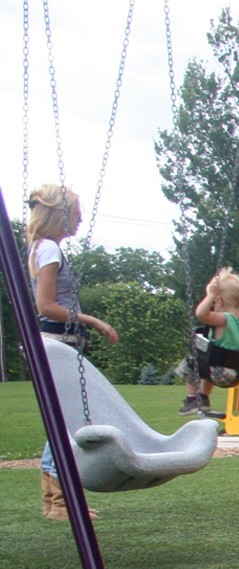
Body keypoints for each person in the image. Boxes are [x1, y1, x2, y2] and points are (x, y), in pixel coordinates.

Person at [26, 183, 117, 520]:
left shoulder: (40, 247)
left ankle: (56, 501)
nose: (79, 222)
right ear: (58, 215)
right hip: (55, 344)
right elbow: (46, 305)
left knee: (61, 422)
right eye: (76, 215)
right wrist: (94, 321)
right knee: (65, 424)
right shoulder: (49, 250)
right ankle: (61, 502)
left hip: (59, 342)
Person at [182, 267, 239, 416]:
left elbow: (201, 314)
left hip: (219, 373)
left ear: (218, 300)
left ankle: (192, 400)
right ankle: (203, 397)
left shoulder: (224, 320)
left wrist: (210, 294)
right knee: (209, 361)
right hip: (237, 374)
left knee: (192, 362)